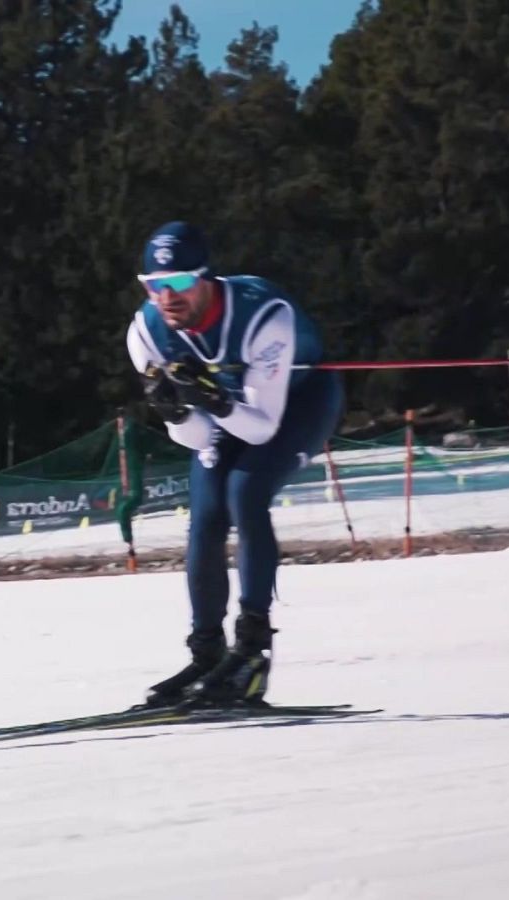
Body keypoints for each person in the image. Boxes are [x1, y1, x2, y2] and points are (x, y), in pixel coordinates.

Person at [125, 221, 344, 707]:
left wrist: (215, 401)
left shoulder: (263, 314)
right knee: (205, 516)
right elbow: (199, 438)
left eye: (180, 282)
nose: (167, 297)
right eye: (154, 285)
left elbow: (262, 429)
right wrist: (177, 413)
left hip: (299, 402)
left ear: (206, 278)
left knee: (245, 494)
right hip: (232, 410)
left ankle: (252, 652)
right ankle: (207, 654)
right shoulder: (145, 332)